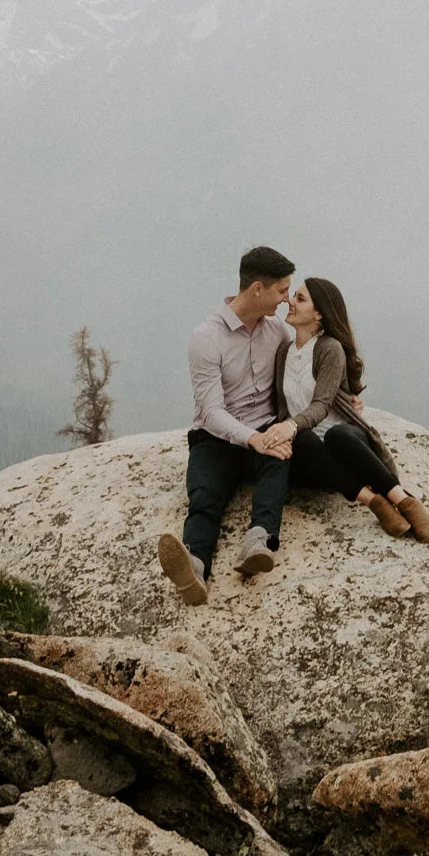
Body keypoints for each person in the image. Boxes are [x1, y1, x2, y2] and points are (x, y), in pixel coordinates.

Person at [160, 244, 298, 605]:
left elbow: (311, 359)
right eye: (281, 290)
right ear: (257, 289)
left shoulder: (278, 332)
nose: (286, 299)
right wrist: (252, 438)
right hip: (216, 436)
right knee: (205, 497)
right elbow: (210, 410)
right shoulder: (207, 338)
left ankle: (259, 541)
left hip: (264, 428)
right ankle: (194, 566)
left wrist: (349, 392)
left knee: (277, 462)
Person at [270, 277, 429, 541]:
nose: (290, 301)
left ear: (319, 314)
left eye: (300, 299)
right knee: (299, 438)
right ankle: (375, 502)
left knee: (337, 435)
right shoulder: (283, 353)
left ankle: (404, 501)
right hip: (312, 455)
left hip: (345, 445)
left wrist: (291, 423)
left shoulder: (329, 348)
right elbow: (280, 407)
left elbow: (322, 404)